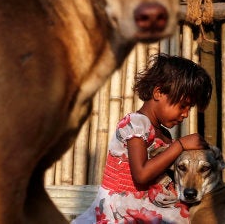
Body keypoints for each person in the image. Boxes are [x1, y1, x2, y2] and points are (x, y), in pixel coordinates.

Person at [73, 53, 213, 224]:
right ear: (159, 92)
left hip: (147, 206)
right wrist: (180, 145)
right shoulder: (135, 124)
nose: (185, 114)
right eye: (183, 106)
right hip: (121, 212)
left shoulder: (164, 134)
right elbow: (141, 174)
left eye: (189, 108)